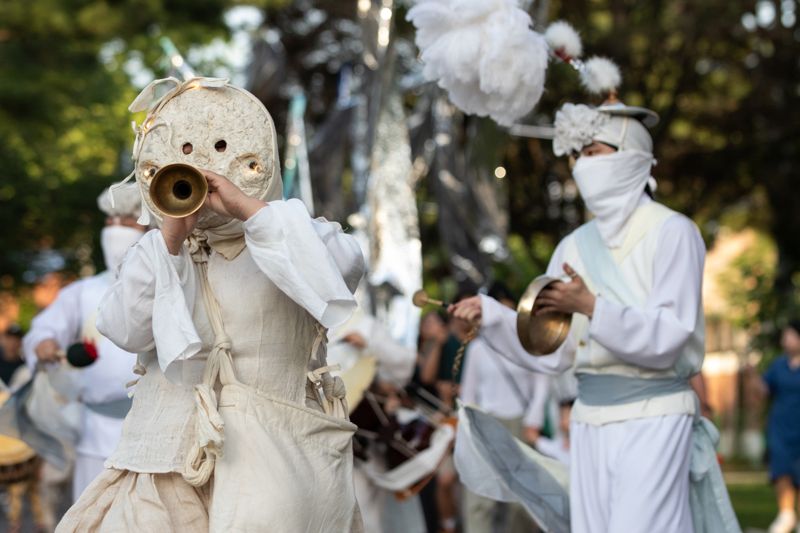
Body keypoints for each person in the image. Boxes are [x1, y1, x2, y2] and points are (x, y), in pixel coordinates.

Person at [56, 78, 364, 532]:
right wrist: (171, 241)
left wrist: (247, 208)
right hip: (162, 462)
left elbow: (340, 276)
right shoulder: (153, 250)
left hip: (276, 466)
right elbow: (123, 329)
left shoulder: (301, 233)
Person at [451, 98, 738, 532]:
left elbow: (669, 336)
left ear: (632, 157)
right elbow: (552, 352)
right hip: (588, 419)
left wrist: (590, 306)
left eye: (593, 152)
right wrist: (490, 316)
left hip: (655, 414)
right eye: (577, 155)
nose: (582, 165)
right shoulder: (572, 246)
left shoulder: (673, 231)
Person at [21, 183, 144, 503]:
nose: (116, 230)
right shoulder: (82, 292)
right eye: (110, 222)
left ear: (146, 226)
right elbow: (41, 330)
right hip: (95, 432)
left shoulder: (172, 285)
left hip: (154, 428)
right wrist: (43, 343)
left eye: (127, 222)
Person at [459, 283, 546, 533]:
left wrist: (534, 420)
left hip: (519, 424)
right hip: (486, 424)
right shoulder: (477, 348)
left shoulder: (527, 344)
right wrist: (468, 429)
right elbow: (469, 393)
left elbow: (542, 382)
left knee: (522, 501)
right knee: (480, 499)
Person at [760, 321, 800, 533]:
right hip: (781, 426)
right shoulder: (778, 365)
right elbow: (763, 390)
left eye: (789, 335)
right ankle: (786, 515)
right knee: (782, 469)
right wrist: (750, 377)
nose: (785, 341)